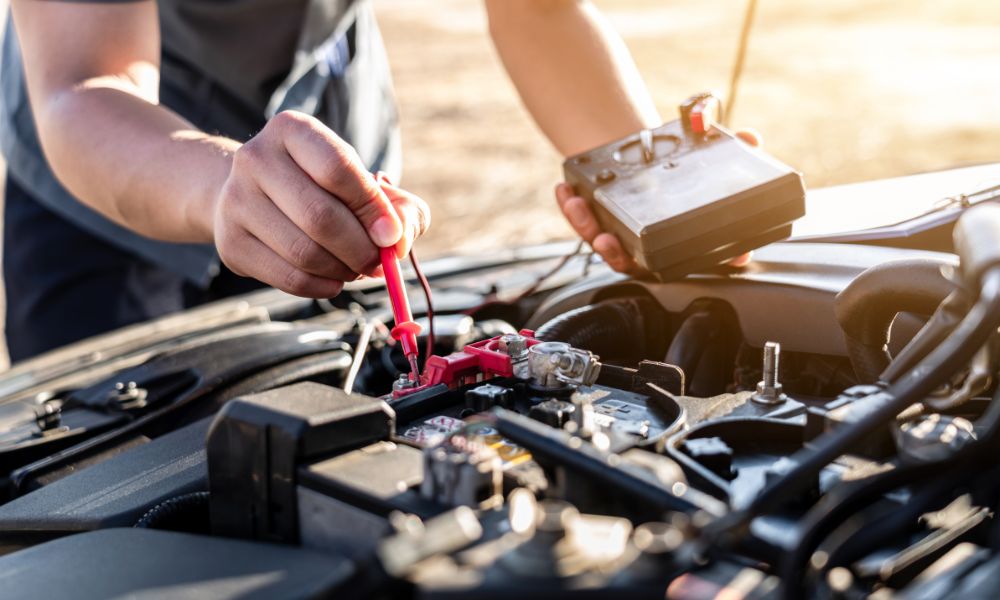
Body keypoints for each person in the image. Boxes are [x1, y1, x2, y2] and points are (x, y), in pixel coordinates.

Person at [0, 0, 717, 362]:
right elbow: (82, 78)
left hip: (325, 147)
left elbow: (535, 8)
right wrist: (222, 186)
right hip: (106, 180)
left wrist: (653, 192)